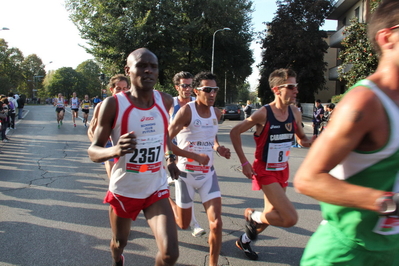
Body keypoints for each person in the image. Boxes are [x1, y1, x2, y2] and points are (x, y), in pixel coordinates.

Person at [294, 1, 399, 265]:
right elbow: (307, 179)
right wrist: (388, 202)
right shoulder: (364, 103)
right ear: (387, 38)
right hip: (346, 253)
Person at [88, 48, 180, 266]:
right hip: (124, 190)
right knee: (119, 242)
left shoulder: (165, 101)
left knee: (170, 254)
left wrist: (170, 158)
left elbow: (162, 134)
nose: (148, 70)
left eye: (153, 66)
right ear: (128, 70)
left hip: (155, 188)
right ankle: (117, 258)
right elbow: (93, 151)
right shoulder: (113, 104)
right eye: (142, 66)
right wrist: (115, 150)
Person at [230, 68, 314, 260]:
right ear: (277, 89)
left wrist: (321, 139)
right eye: (291, 86)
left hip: (282, 170)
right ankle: (252, 217)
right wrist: (244, 162)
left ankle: (244, 239)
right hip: (264, 171)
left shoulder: (294, 112)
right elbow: (235, 132)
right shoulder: (263, 113)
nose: (296, 90)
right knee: (289, 218)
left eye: (296, 86)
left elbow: (302, 140)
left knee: (272, 214)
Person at [168, 71, 231, 266]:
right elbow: (166, 140)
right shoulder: (187, 111)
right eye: (208, 90)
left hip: (207, 176)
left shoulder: (217, 113)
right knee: (183, 224)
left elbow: (210, 136)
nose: (212, 94)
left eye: (215, 90)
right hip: (185, 175)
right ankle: (168, 201)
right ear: (196, 91)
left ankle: (213, 264)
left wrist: (218, 147)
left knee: (217, 223)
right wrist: (194, 156)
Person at [169, 71, 205, 238]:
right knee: (181, 187)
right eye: (184, 85)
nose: (188, 88)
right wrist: (169, 157)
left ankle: (163, 192)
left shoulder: (197, 102)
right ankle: (194, 224)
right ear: (177, 87)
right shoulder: (171, 103)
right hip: (175, 151)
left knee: (178, 185)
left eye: (191, 85)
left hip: (193, 151)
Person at [88, 74, 130, 178]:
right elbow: (91, 129)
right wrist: (99, 148)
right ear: (111, 89)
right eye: (118, 88)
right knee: (113, 178)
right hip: (109, 145)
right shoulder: (103, 105)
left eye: (125, 88)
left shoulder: (133, 105)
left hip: (127, 146)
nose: (122, 92)